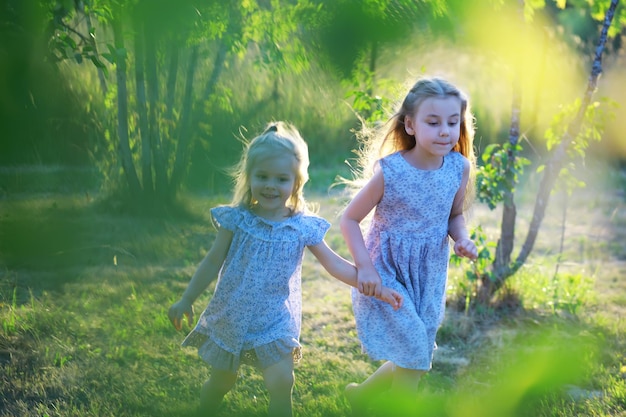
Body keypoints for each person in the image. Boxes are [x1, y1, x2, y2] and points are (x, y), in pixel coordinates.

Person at [168, 121, 403, 417]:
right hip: (234, 313)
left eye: (281, 179)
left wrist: (375, 286)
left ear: (296, 183)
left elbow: (334, 265)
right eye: (262, 176)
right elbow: (213, 261)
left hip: (275, 319)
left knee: (282, 381)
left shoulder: (300, 227)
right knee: (222, 381)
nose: (270, 185)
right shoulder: (238, 220)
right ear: (249, 177)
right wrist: (187, 298)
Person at [339, 77, 479, 414]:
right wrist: (366, 267)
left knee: (415, 350)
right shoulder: (392, 172)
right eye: (434, 122)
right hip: (387, 267)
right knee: (414, 349)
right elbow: (348, 220)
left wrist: (461, 238)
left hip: (428, 273)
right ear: (411, 125)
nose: (445, 131)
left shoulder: (458, 169)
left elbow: (454, 214)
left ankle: (362, 395)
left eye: (453, 121)